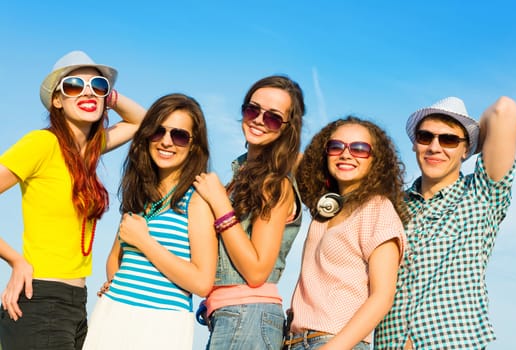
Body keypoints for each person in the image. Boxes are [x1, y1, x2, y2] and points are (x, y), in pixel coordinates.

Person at [0, 50, 146, 349]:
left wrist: (110, 97)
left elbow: (143, 123)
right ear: (57, 99)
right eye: (74, 86)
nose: (87, 91)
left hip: (75, 304)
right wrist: (15, 260)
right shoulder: (42, 144)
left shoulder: (89, 151)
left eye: (98, 86)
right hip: (40, 298)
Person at [374, 96, 516, 350]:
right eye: (425, 137)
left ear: (467, 149)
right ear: (414, 145)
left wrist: (472, 136)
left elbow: (504, 110)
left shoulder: (481, 194)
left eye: (449, 139)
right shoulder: (392, 206)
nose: (434, 146)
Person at [81, 93, 217, 349]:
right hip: (112, 314)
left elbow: (202, 282)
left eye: (179, 135)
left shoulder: (197, 200)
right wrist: (116, 283)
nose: (166, 142)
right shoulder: (140, 194)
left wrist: (145, 242)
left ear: (194, 145)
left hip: (161, 325)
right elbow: (115, 257)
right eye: (158, 131)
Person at [193, 75, 305, 349]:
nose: (258, 119)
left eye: (273, 118)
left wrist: (220, 203)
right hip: (233, 316)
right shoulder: (243, 175)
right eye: (252, 109)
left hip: (247, 316)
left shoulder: (274, 183)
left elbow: (256, 271)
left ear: (287, 128)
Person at [282, 116, 407, 350]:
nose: (346, 154)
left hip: (335, 342)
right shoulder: (325, 209)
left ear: (375, 160)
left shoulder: (377, 208)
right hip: (294, 341)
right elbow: (286, 157)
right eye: (336, 146)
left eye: (359, 148)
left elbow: (382, 297)